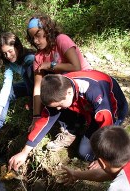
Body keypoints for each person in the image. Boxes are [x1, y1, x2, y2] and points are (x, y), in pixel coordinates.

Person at [8, 70, 128, 171]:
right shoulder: (59, 88)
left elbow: (107, 124)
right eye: (56, 106)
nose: (59, 108)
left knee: (88, 154)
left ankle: (123, 138)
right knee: (83, 153)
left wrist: (103, 160)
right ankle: (81, 127)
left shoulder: (94, 92)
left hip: (114, 111)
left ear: (69, 92)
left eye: (59, 105)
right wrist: (24, 152)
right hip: (88, 111)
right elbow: (44, 121)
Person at [26, 14, 92, 150]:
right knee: (48, 86)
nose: (36, 41)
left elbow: (76, 66)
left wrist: (51, 65)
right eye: (32, 38)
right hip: (65, 86)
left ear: (47, 30)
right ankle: (68, 125)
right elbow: (38, 87)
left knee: (59, 85)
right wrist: (36, 116)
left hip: (84, 83)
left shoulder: (61, 40)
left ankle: (73, 128)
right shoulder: (38, 56)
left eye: (38, 35)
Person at [0, 32, 35, 137]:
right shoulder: (8, 63)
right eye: (4, 53)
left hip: (42, 88)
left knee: (28, 74)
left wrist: (32, 100)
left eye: (10, 51)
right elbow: (6, 85)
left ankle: (36, 114)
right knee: (8, 92)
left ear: (17, 47)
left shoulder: (30, 58)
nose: (8, 56)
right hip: (29, 86)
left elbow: (37, 82)